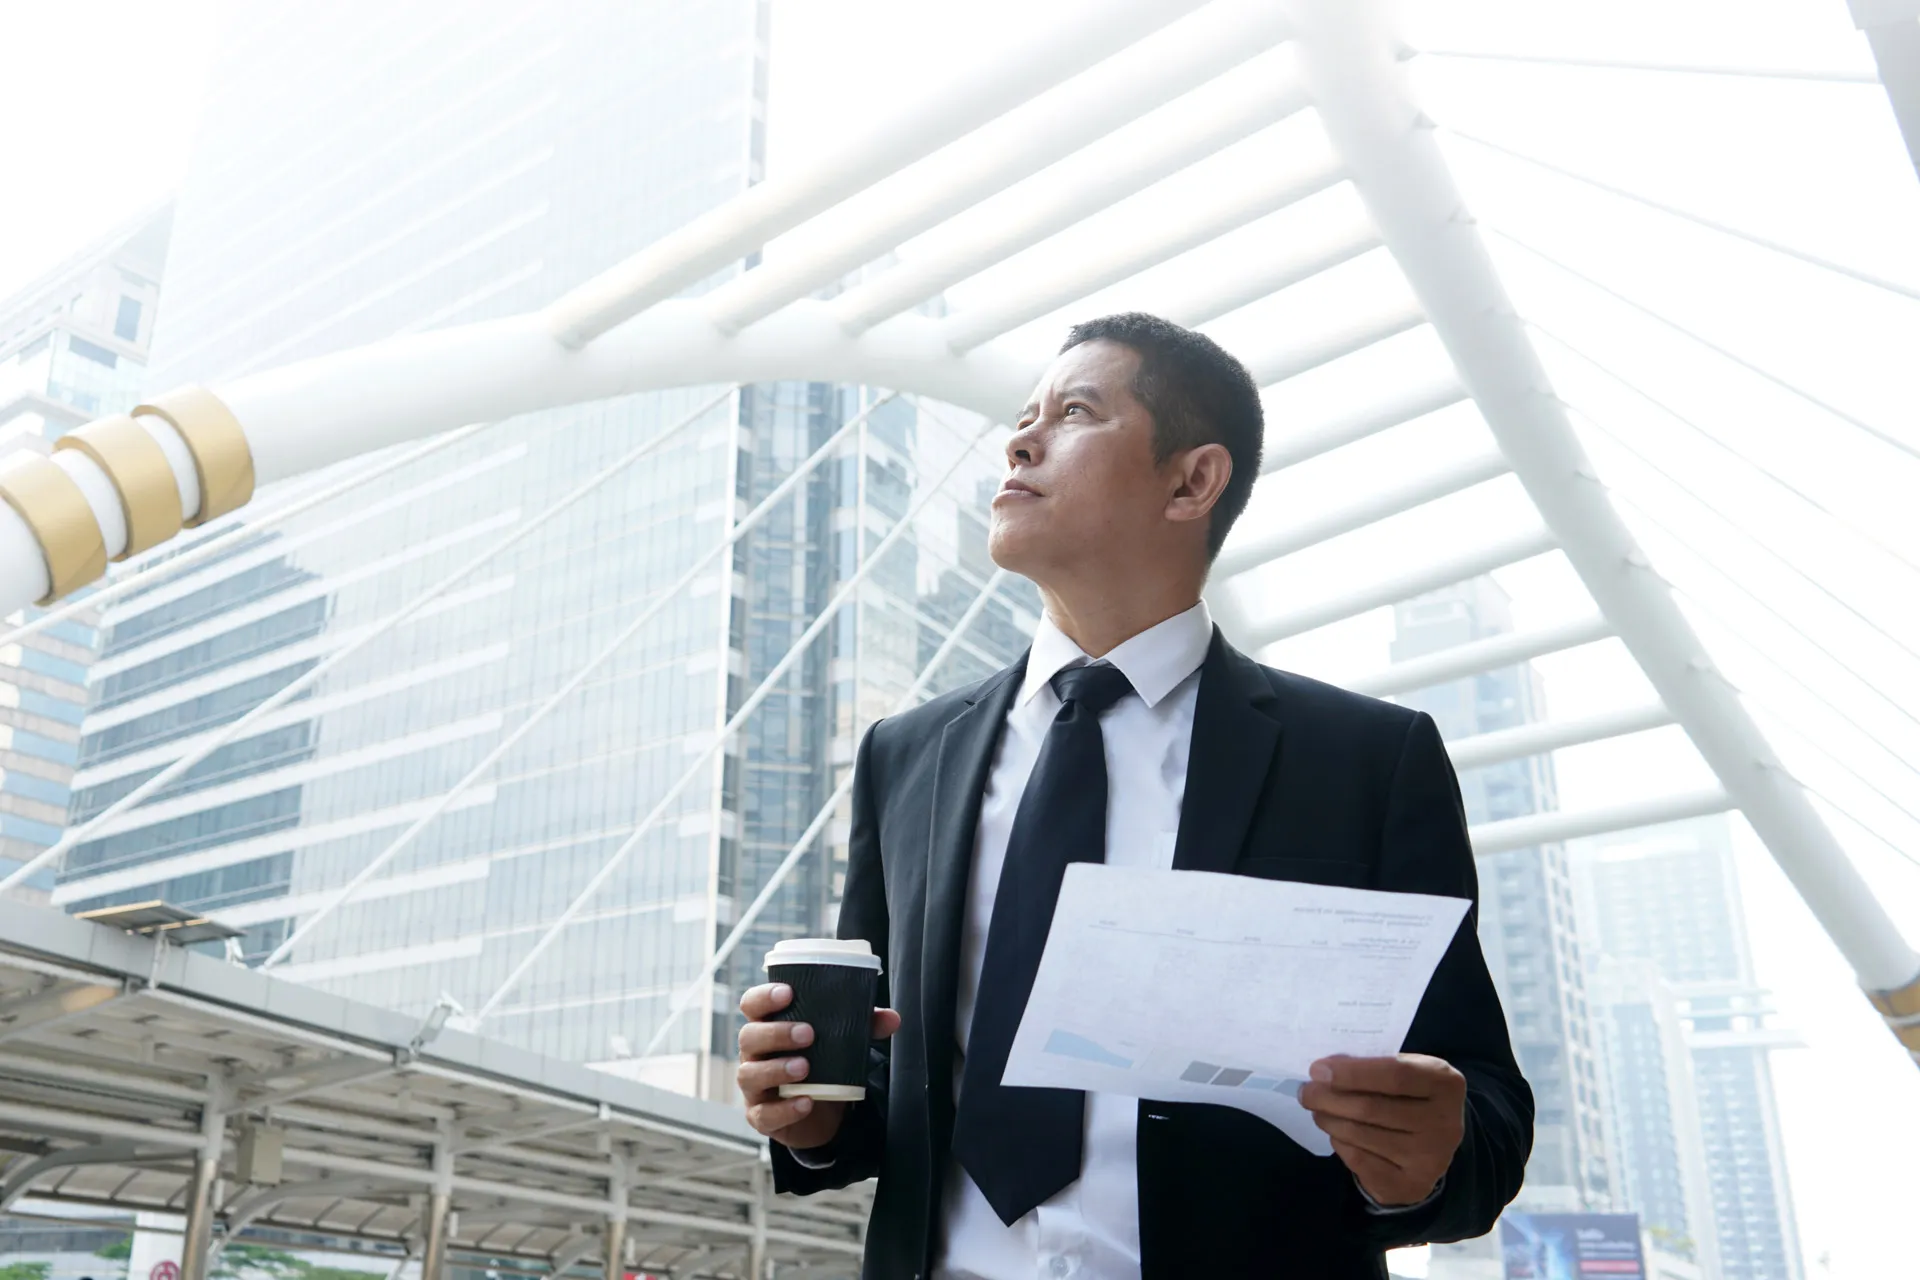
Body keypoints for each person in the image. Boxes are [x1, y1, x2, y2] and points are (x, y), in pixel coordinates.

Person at [736, 313, 1533, 1278]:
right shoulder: (907, 756)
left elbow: (1480, 1106)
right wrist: (815, 1118)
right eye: (1023, 417)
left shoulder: (1366, 759)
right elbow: (883, 1084)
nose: (1020, 440)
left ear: (1193, 480)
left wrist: (1419, 1164)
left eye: (1074, 412)